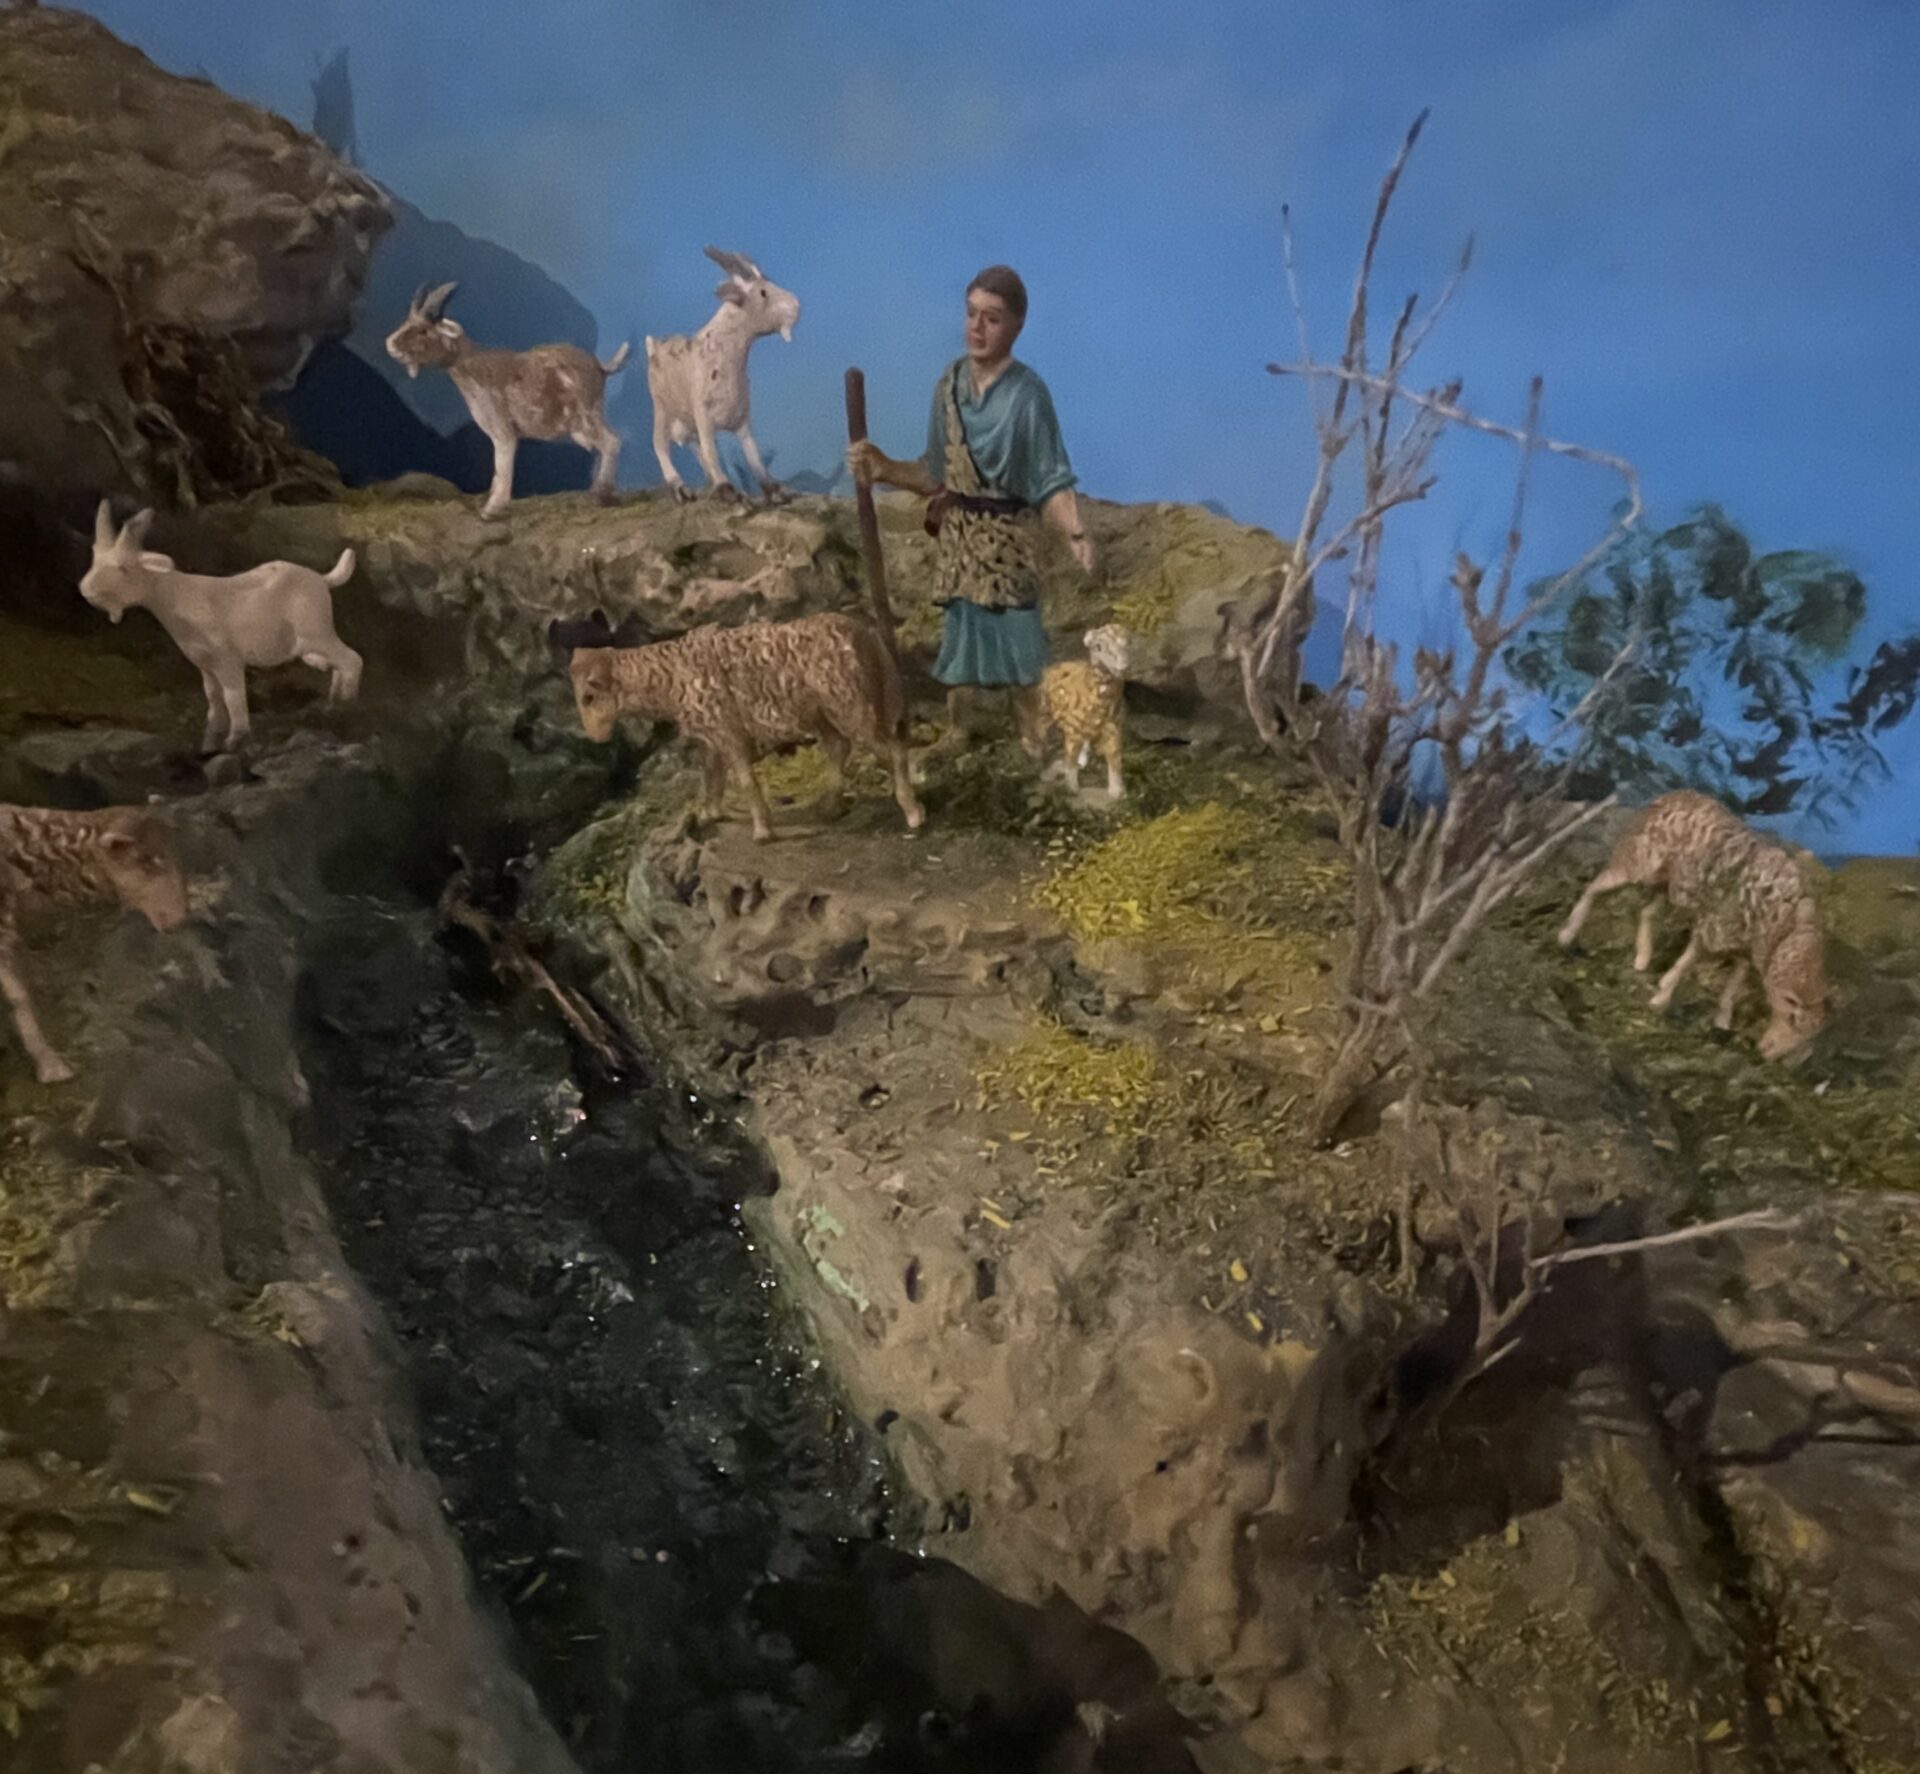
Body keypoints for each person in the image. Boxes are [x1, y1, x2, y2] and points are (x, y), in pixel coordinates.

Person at [847, 265, 1094, 757]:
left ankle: (1035, 735)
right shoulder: (950, 385)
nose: (977, 328)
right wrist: (883, 467)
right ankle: (960, 730)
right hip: (961, 539)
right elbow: (933, 472)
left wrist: (1075, 531)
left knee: (1021, 642)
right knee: (962, 639)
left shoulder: (1028, 395)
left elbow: (1050, 476)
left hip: (1008, 541)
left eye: (992, 318)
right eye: (971, 314)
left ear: (1016, 326)